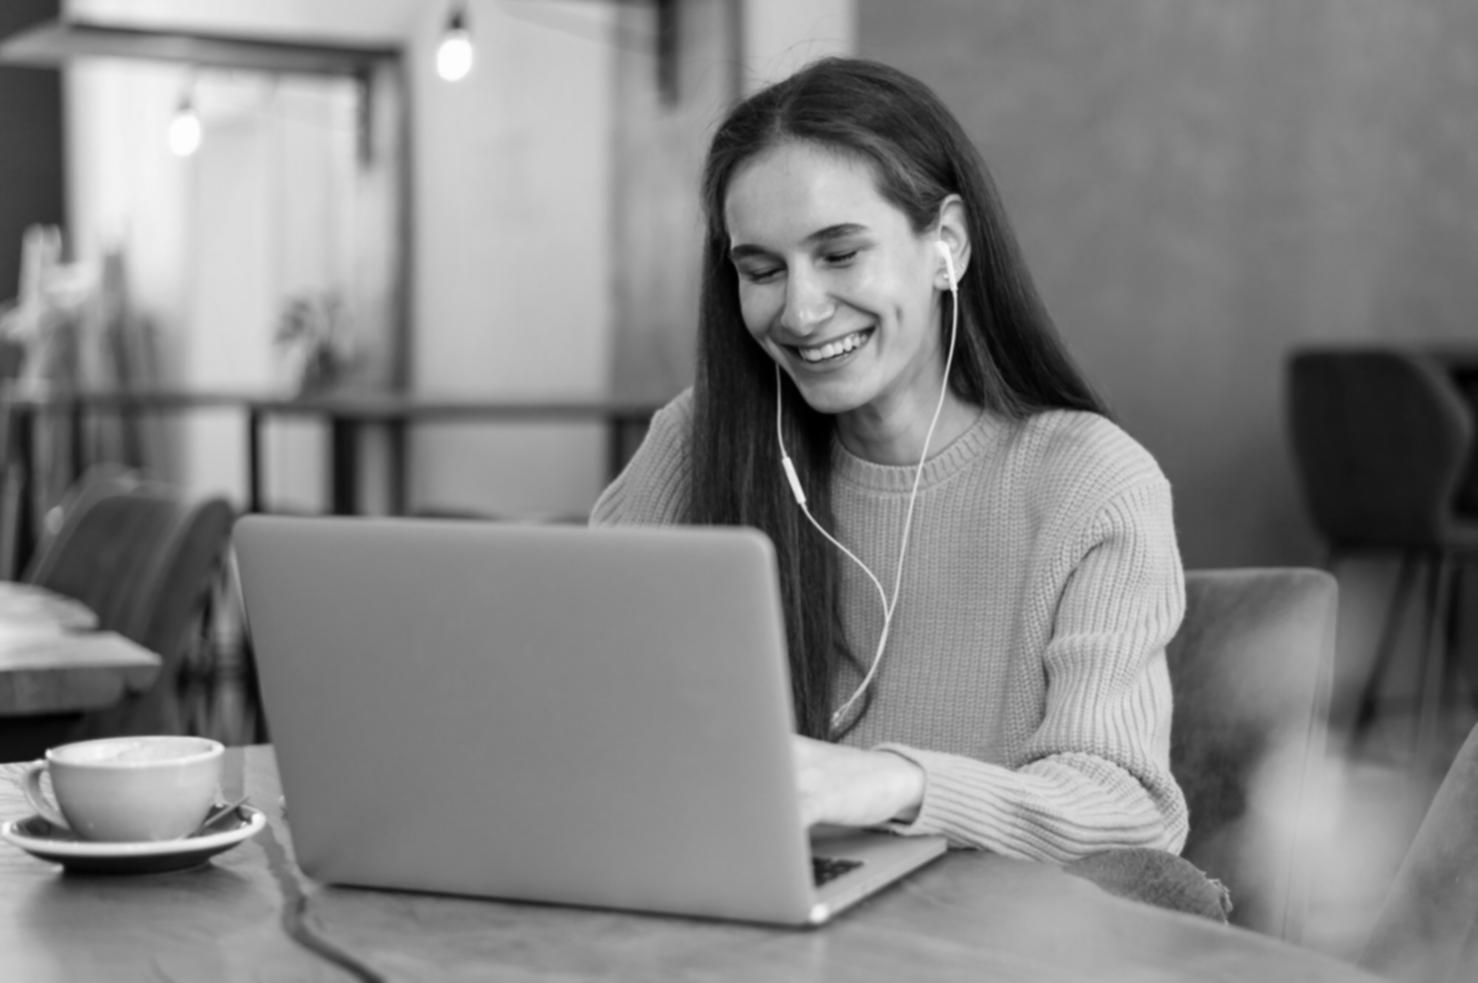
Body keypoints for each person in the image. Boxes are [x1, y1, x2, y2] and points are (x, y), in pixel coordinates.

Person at [591, 56, 1228, 920]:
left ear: (947, 246)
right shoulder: (701, 442)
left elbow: (1125, 808)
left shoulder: (1088, 480)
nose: (801, 310)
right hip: (741, 916)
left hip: (981, 938)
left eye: (840, 253)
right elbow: (576, 697)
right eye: (762, 269)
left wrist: (888, 781)